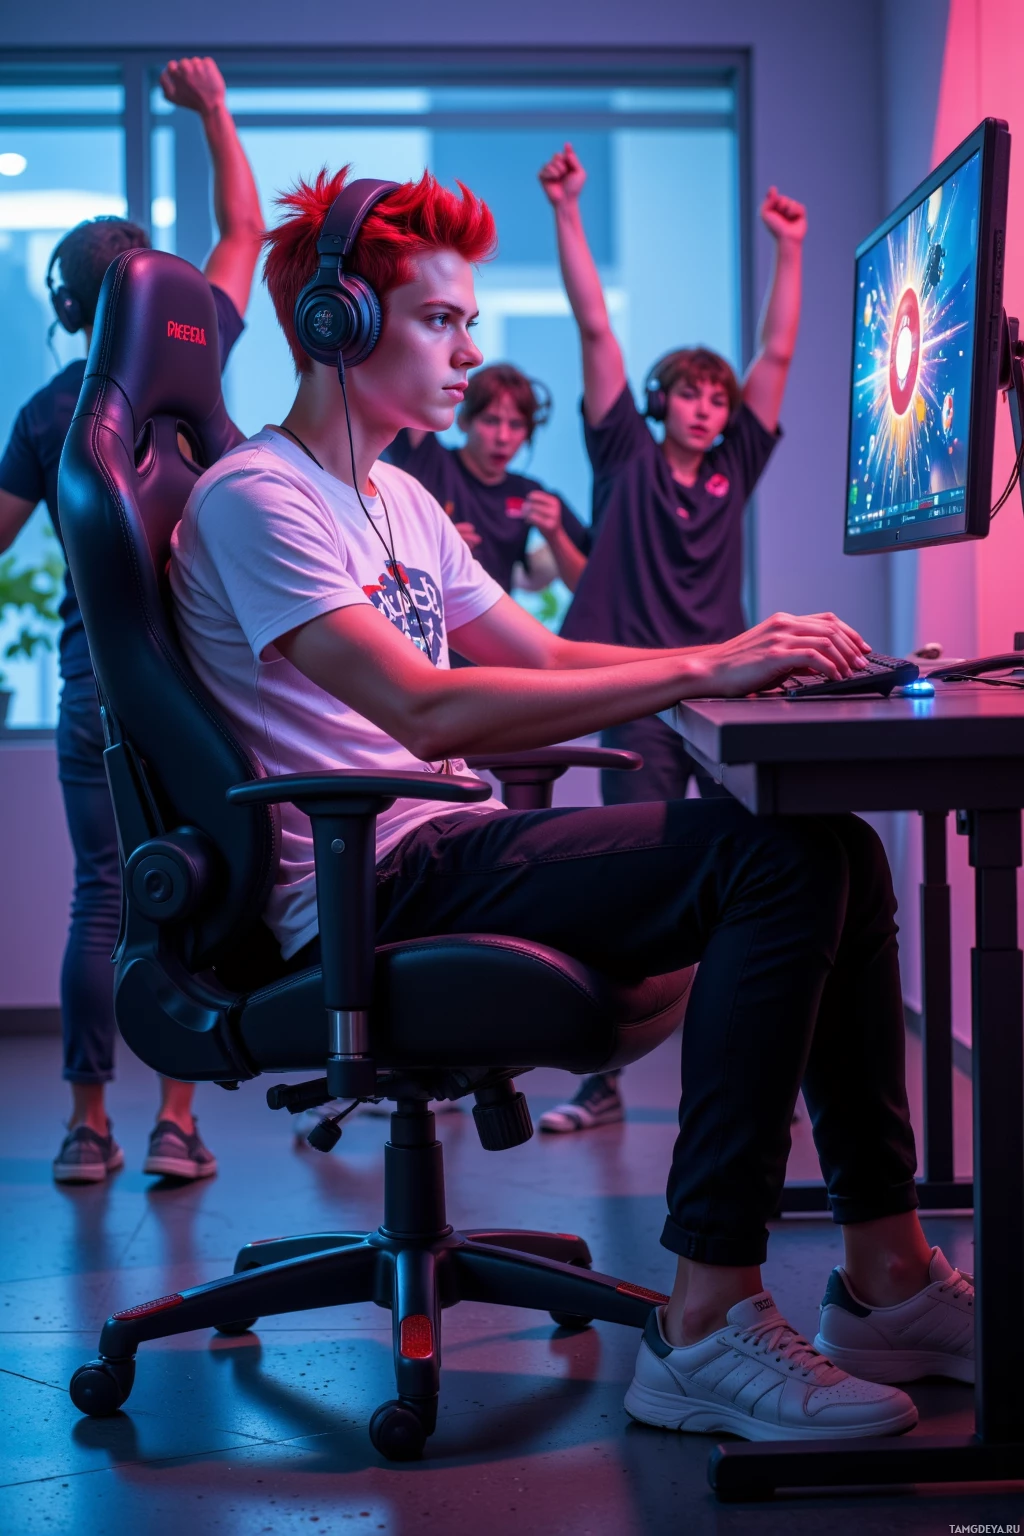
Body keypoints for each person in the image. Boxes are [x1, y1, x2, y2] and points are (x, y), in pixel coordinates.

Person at [168, 164, 974, 1445]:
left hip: (444, 844)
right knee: (776, 862)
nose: (469, 348)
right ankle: (705, 1320)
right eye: (440, 319)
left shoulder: (398, 498)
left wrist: (739, 644)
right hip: (363, 880)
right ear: (339, 327)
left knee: (830, 845)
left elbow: (537, 659)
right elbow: (425, 710)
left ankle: (884, 1273)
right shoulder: (259, 500)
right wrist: (704, 670)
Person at [0, 56, 264, 1185]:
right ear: (162, 301)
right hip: (193, 687)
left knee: (102, 894)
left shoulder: (53, 408)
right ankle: (177, 1124)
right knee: (193, 890)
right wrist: (211, 109)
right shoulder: (190, 380)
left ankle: (85, 1125)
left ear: (67, 310)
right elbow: (244, 227)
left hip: (92, 684)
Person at [536, 142, 807, 1134]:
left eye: (718, 397)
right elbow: (593, 323)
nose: (707, 406)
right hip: (634, 689)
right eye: (691, 393)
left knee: (753, 870)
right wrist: (568, 209)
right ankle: (599, 1077)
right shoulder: (622, 456)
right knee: (642, 879)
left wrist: (791, 250)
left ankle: (740, 1079)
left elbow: (775, 356)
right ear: (661, 403)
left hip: (724, 690)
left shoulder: (737, 462)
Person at [386, 362, 591, 601]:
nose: (503, 437)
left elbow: (588, 588)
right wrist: (439, 549)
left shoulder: (530, 494)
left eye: (516, 425)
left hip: (489, 626)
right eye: (491, 421)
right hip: (420, 616)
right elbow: (409, 380)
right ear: (463, 421)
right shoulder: (428, 459)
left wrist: (556, 537)